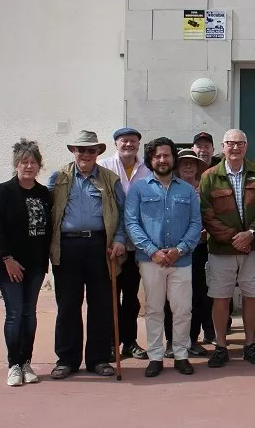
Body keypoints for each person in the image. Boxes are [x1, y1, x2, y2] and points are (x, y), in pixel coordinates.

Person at [47, 130, 127, 380]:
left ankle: (99, 358)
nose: (86, 154)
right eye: (81, 149)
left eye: (91, 150)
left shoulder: (110, 179)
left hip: (100, 248)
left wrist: (119, 240)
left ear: (98, 153)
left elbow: (124, 214)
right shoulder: (58, 177)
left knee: (101, 306)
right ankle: (66, 359)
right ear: (73, 151)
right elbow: (45, 208)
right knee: (68, 306)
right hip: (67, 247)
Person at [126, 138, 202, 377]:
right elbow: (131, 222)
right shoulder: (139, 189)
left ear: (173, 159)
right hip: (151, 260)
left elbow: (195, 223)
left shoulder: (187, 190)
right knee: (154, 309)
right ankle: (156, 356)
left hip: (181, 260)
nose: (162, 160)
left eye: (166, 156)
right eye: (157, 156)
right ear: (150, 160)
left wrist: (180, 249)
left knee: (182, 310)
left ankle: (181, 354)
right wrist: (152, 251)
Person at [200, 129, 255, 367]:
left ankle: (250, 344)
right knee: (220, 297)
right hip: (221, 250)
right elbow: (206, 214)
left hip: (253, 248)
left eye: (240, 144)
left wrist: (250, 234)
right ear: (223, 146)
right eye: (230, 143)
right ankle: (221, 346)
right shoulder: (210, 176)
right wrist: (234, 238)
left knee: (253, 296)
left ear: (246, 146)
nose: (235, 148)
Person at [0, 138, 52, 386]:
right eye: (24, 162)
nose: (29, 166)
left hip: (35, 264)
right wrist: (7, 258)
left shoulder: (44, 193)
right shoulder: (4, 191)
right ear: (16, 165)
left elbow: (47, 231)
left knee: (29, 313)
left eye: (33, 162)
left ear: (39, 166)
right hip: (8, 264)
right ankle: (14, 364)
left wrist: (45, 263)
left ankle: (26, 362)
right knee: (14, 313)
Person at [99, 127, 150, 361]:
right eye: (124, 141)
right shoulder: (104, 168)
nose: (128, 145)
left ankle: (129, 341)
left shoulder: (146, 170)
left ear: (139, 145)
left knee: (131, 297)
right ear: (115, 144)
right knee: (110, 297)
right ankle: (111, 342)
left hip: (136, 245)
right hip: (110, 245)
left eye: (133, 141)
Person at [162, 149, 210, 358]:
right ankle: (172, 342)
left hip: (199, 248)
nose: (189, 167)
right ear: (176, 167)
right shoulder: (168, 188)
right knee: (171, 298)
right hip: (174, 250)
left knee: (197, 295)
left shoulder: (205, 189)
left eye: (192, 164)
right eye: (184, 164)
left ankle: (192, 339)